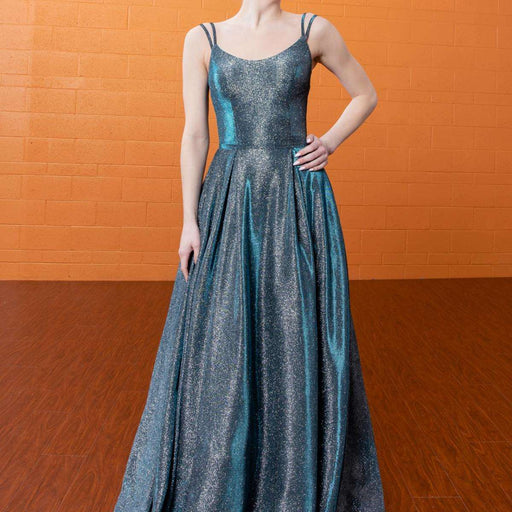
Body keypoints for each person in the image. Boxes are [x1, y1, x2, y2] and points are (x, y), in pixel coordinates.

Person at [114, 4, 385, 511]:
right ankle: (222, 472)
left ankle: (292, 471)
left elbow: (365, 94)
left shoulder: (313, 30)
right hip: (229, 198)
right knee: (223, 337)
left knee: (293, 330)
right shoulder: (202, 38)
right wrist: (189, 219)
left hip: (297, 201)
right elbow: (196, 134)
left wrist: (328, 142)